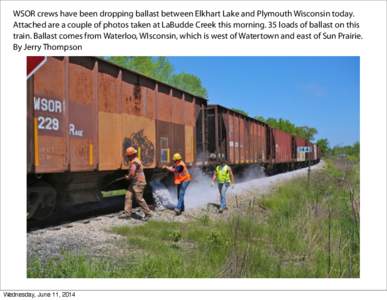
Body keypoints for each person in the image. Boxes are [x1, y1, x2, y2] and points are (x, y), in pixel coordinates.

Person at [119, 146, 152, 221]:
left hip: (138, 183)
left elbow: (132, 173)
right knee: (128, 196)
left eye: (128, 155)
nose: (127, 157)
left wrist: (128, 177)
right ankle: (127, 213)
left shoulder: (135, 162)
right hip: (135, 182)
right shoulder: (135, 160)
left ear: (131, 155)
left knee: (139, 199)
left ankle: (148, 214)